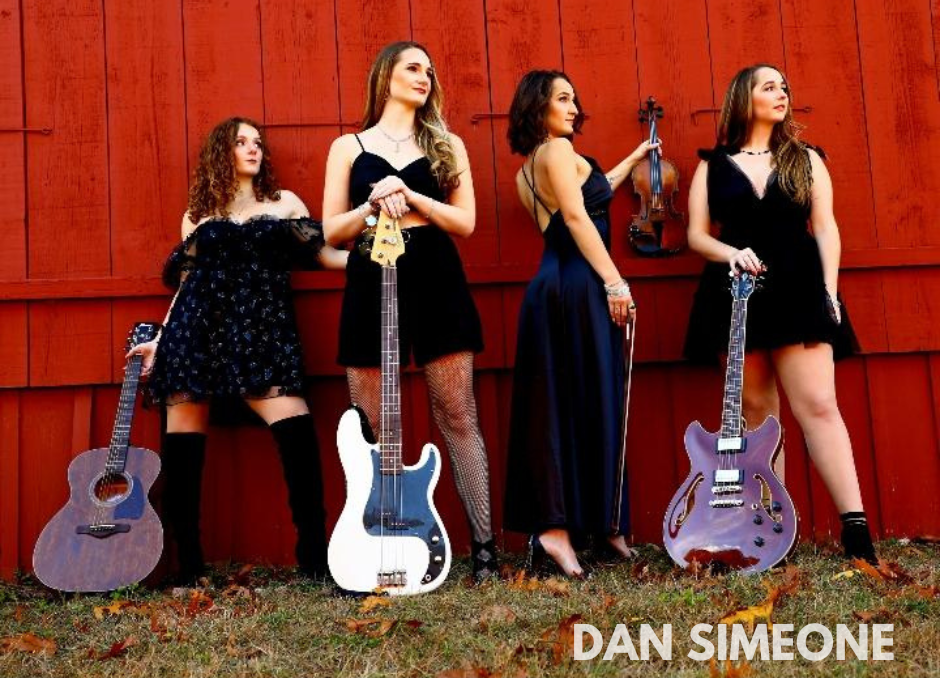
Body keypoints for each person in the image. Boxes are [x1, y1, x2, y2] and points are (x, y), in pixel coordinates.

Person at [128, 117, 348, 582]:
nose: (253, 149)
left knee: (297, 435)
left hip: (261, 335)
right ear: (220, 153)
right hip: (196, 333)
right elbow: (186, 283)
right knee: (184, 446)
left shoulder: (284, 203)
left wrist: (378, 257)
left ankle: (314, 556)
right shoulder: (199, 212)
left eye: (258, 143)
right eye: (241, 142)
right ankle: (186, 565)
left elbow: (325, 254)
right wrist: (161, 339)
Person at [683, 63, 876, 563]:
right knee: (756, 417)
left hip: (797, 290)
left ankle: (857, 533)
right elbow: (696, 235)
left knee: (819, 407)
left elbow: (826, 227)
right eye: (769, 87)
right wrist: (730, 252)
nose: (782, 93)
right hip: (736, 294)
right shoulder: (713, 165)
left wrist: (830, 292)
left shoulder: (806, 159)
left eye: (785, 87)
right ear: (743, 98)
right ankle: (772, 534)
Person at [321, 42, 497, 582]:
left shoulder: (446, 143)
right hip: (372, 270)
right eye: (412, 68)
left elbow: (465, 222)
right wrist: (372, 203)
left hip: (436, 273)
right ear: (385, 77)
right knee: (372, 423)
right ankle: (379, 540)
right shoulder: (347, 147)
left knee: (457, 411)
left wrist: (411, 195)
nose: (424, 77)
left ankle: (486, 549)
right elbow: (331, 231)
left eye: (429, 71)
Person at [502, 70, 655, 578]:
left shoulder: (531, 166)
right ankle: (562, 529)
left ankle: (601, 523)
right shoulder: (558, 153)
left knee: (571, 400)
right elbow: (576, 218)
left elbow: (592, 194)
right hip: (579, 285)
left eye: (574, 97)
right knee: (588, 399)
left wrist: (632, 160)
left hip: (555, 284)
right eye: (562, 98)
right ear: (537, 106)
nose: (573, 107)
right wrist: (616, 282)